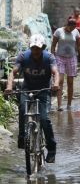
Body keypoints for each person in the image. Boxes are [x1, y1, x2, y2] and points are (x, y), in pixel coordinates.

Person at [5, 34, 59, 163]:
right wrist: (9, 86)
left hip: (44, 91)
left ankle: (51, 149)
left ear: (43, 48)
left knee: (44, 119)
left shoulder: (49, 57)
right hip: (27, 89)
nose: (35, 51)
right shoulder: (23, 56)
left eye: (38, 48)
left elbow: (55, 72)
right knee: (23, 110)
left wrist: (56, 84)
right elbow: (13, 72)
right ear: (30, 47)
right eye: (33, 48)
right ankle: (22, 137)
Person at [51, 18, 80, 111]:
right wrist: (52, 57)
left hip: (72, 58)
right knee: (60, 80)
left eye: (74, 28)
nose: (72, 30)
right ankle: (59, 105)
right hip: (60, 57)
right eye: (71, 27)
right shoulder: (59, 31)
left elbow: (79, 45)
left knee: (70, 82)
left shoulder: (76, 32)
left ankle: (69, 104)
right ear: (67, 25)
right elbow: (53, 45)